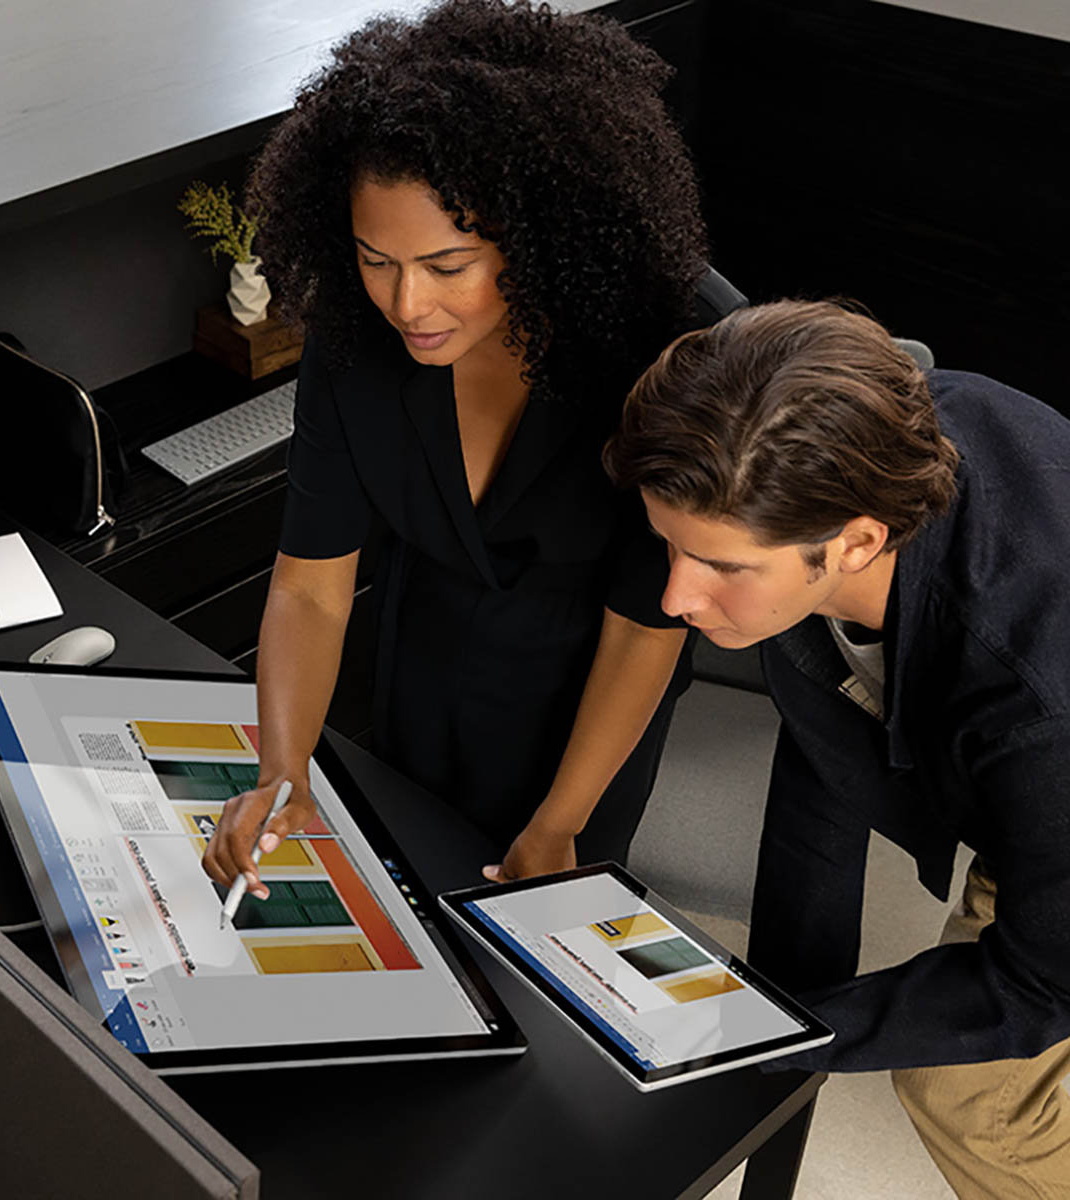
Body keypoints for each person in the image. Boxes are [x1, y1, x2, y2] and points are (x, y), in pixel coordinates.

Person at [202, 0, 707, 896]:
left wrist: (560, 822)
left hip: (589, 690)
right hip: (418, 663)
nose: (407, 306)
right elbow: (311, 583)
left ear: (534, 237)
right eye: (375, 259)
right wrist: (281, 770)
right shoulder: (352, 344)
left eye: (447, 267)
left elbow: (645, 629)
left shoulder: (651, 364)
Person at [603, 298, 1070, 1198]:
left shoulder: (1039, 705)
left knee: (978, 1099)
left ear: (856, 543)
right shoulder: (865, 451)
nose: (676, 599)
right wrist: (768, 1025)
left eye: (723, 568)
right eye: (671, 547)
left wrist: (782, 1037)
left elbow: (1040, 986)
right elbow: (828, 763)